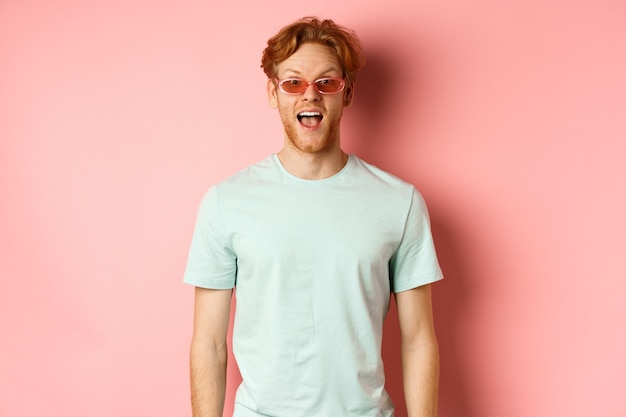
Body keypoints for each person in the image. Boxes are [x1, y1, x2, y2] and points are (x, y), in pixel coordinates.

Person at [184, 16, 443, 417]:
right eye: (293, 82)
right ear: (273, 92)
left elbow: (418, 339)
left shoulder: (400, 202)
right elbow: (209, 342)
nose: (310, 95)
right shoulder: (226, 201)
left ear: (348, 93)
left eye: (326, 82)